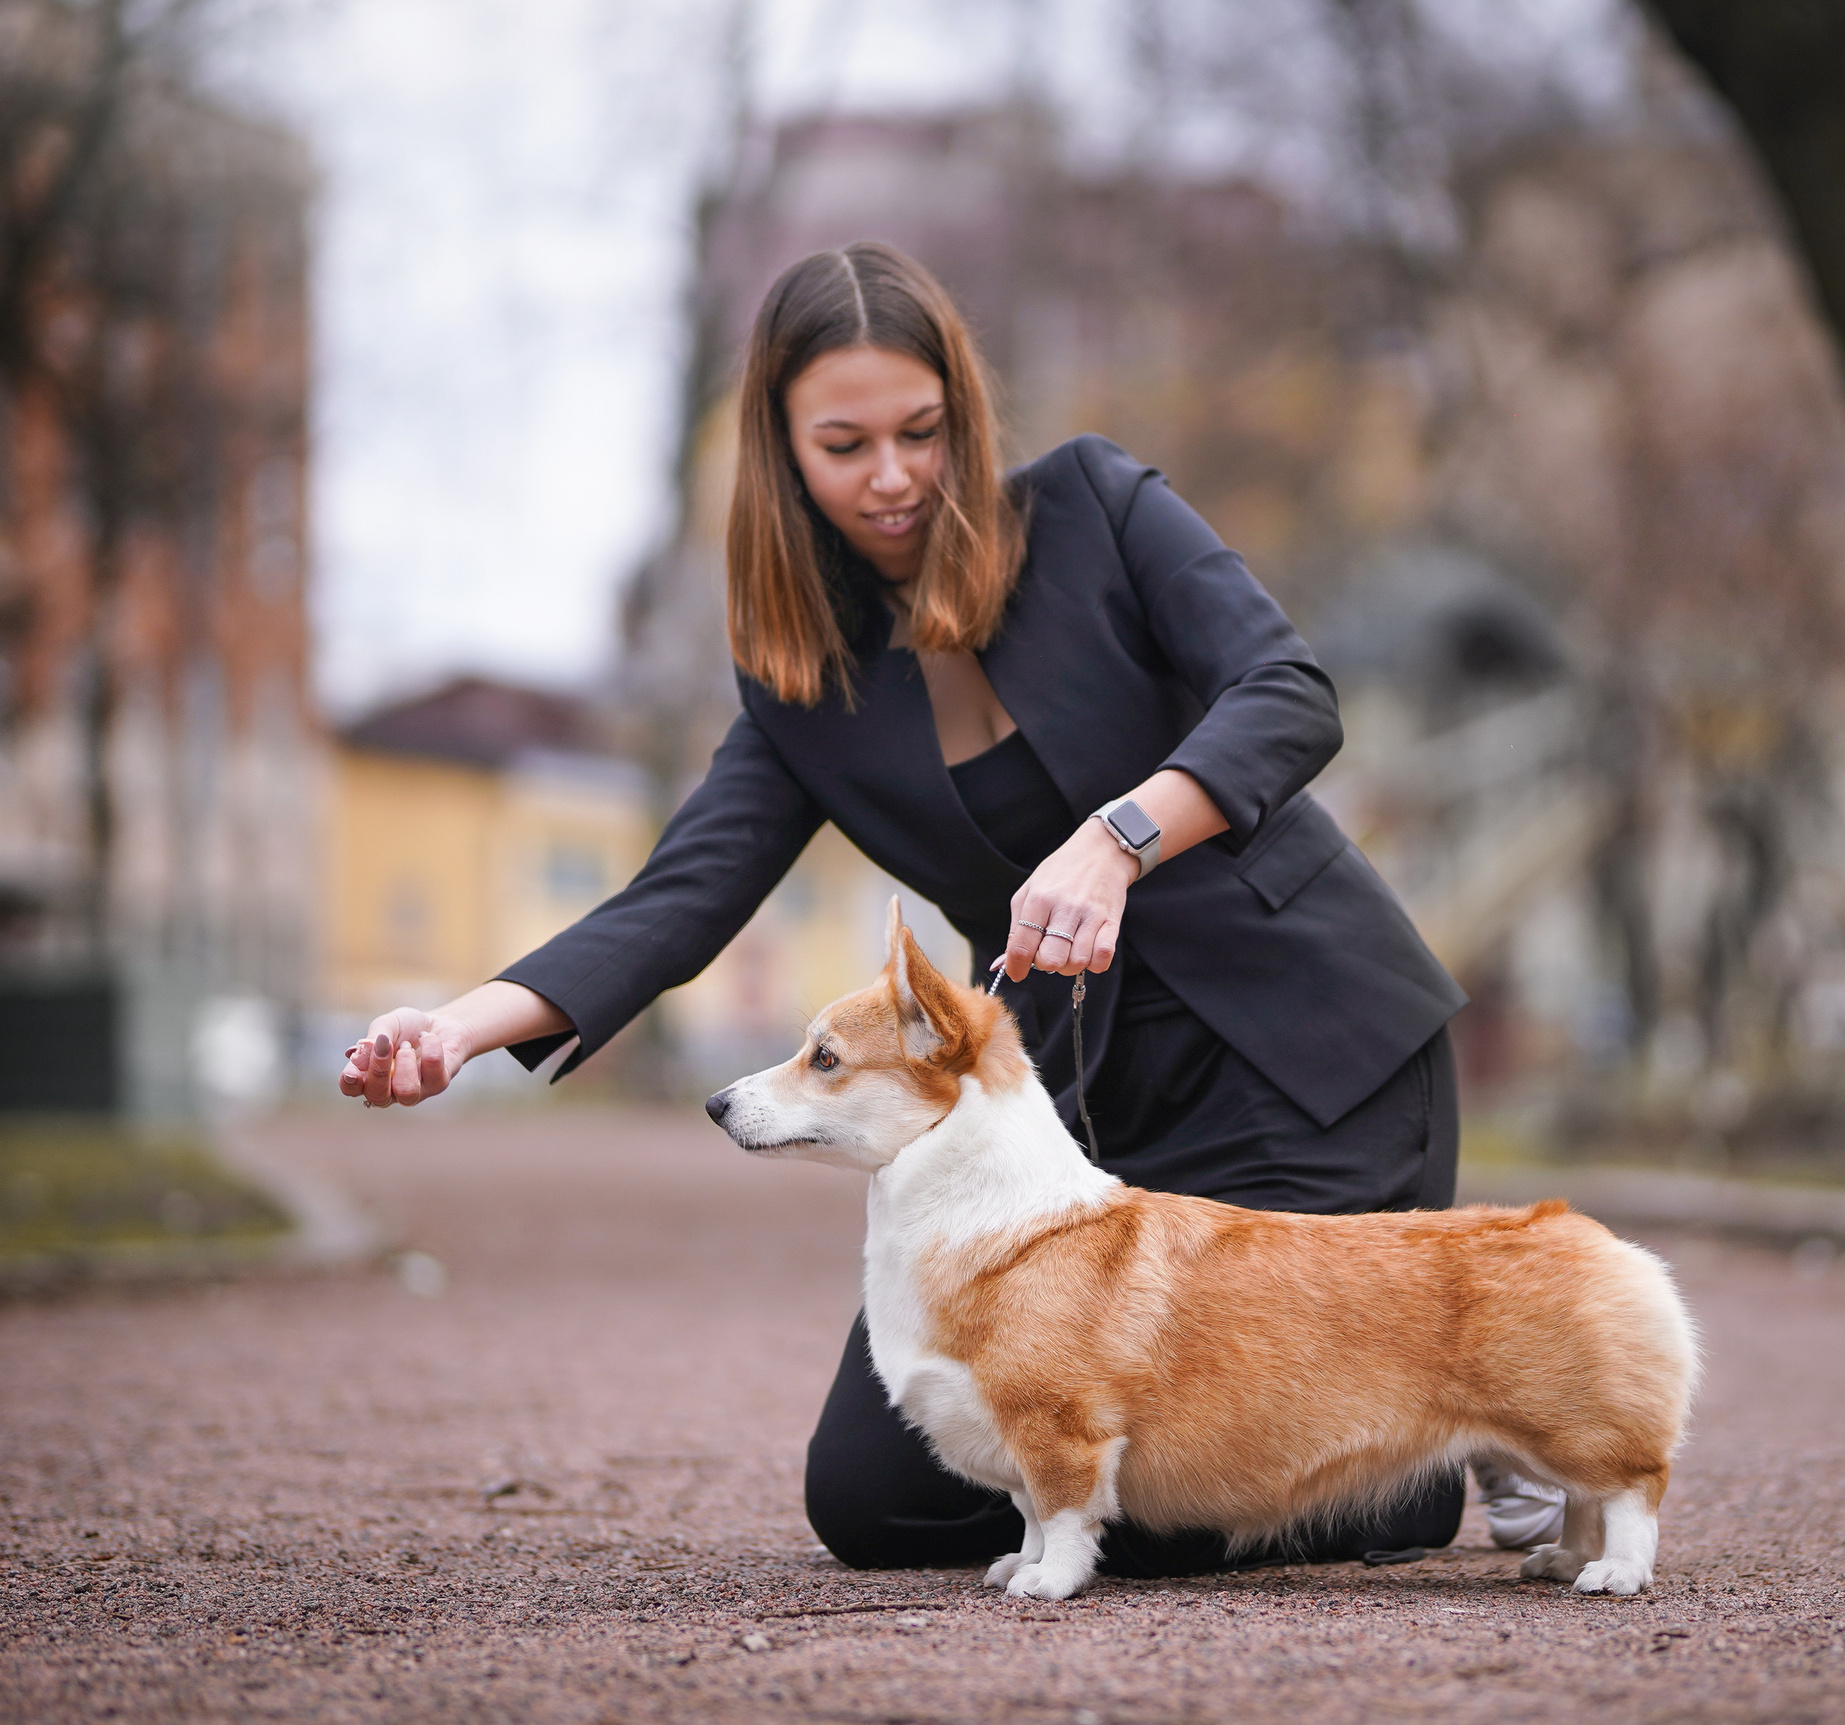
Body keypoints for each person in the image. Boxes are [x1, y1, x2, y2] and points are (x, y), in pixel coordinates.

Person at [337, 240, 1562, 1573]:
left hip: (1311, 1056)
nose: (893, 476)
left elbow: (1287, 692)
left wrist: (1120, 837)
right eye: (845, 444)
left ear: (963, 416)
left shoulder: (1095, 506)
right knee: (879, 1503)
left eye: (921, 432)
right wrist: (458, 1027)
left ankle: (1426, 1416)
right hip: (1077, 1115)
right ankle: (1381, 1461)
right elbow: (680, 897)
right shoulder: (800, 684)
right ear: (782, 454)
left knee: (1143, 1506)